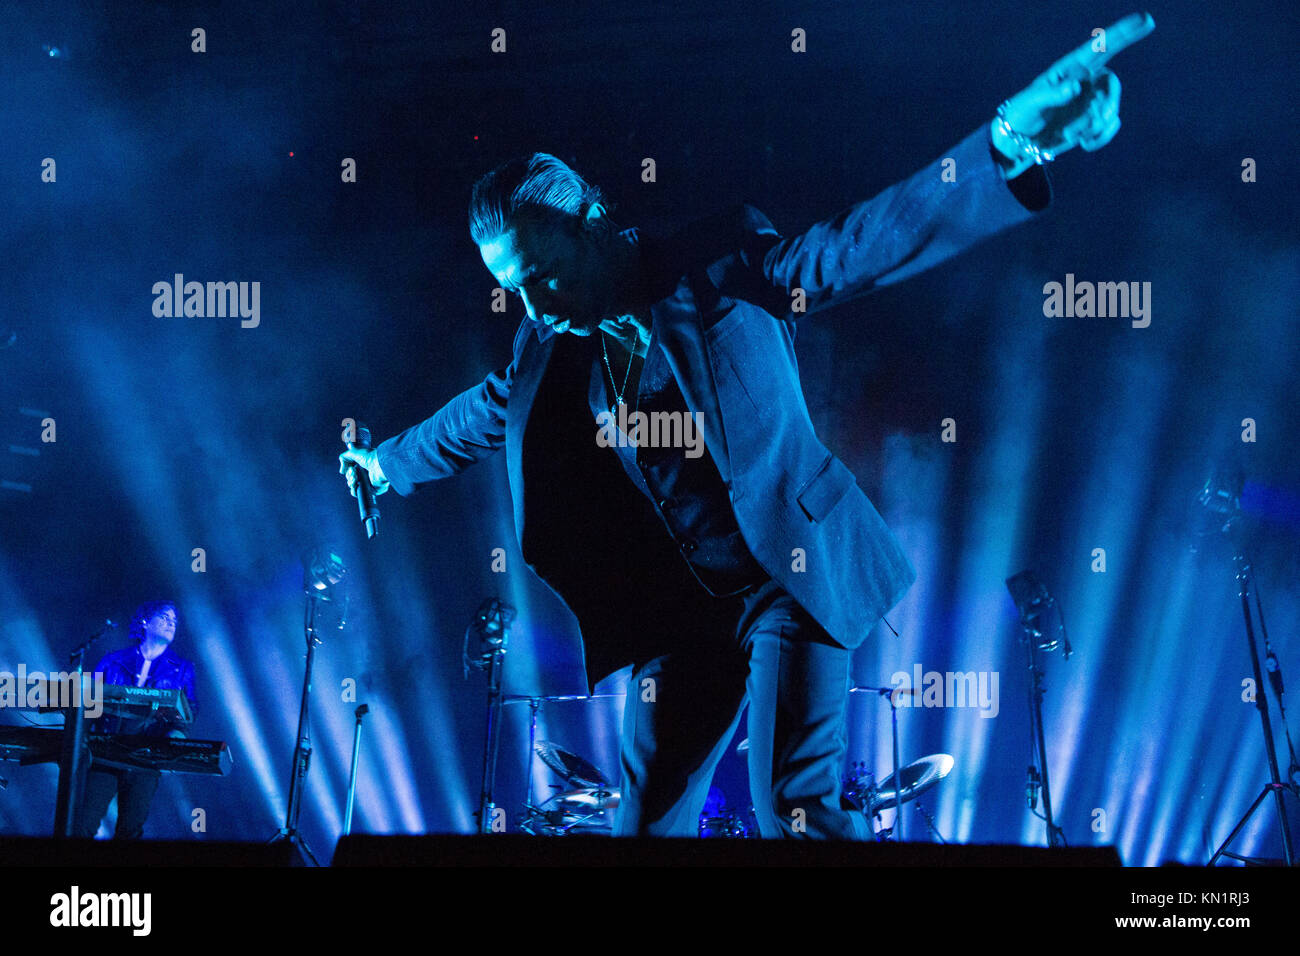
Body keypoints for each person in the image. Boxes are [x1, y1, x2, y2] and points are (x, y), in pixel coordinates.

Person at [341, 17, 1153, 837]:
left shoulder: (721, 263)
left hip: (789, 575)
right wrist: (384, 465)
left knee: (794, 811)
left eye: (542, 278)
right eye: (514, 288)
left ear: (592, 223)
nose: (534, 307)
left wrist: (1006, 142)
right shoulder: (547, 341)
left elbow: (852, 248)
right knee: (643, 826)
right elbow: (484, 410)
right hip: (682, 611)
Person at [75, 600, 198, 839]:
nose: (171, 623)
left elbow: (189, 710)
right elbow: (89, 705)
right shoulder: (112, 661)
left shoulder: (182, 669)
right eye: (164, 617)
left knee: (130, 831)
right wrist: (80, 744)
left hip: (146, 757)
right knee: (82, 825)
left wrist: (176, 736)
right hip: (106, 753)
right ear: (145, 621)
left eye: (174, 620)